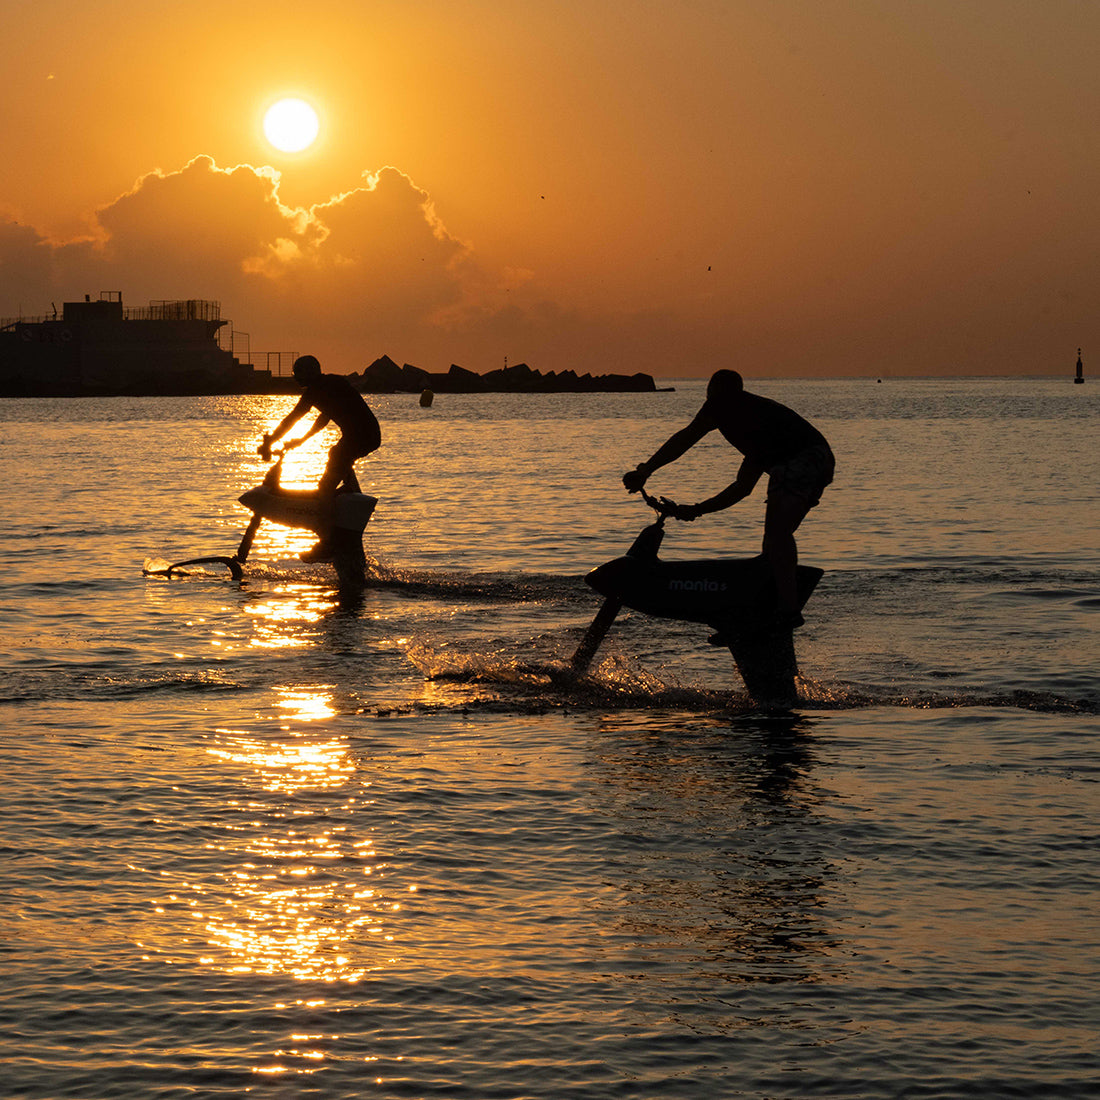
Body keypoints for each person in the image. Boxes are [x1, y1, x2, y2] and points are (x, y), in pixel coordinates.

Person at [623, 368, 834, 629]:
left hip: (806, 459)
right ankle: (758, 615)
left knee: (778, 534)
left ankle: (788, 611)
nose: (709, 409)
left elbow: (685, 438)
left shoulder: (726, 407)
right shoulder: (757, 429)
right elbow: (741, 488)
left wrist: (645, 470)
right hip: (818, 461)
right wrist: (696, 510)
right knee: (773, 541)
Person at [260, 354, 382, 560]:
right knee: (336, 454)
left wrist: (271, 440)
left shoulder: (315, 391)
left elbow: (293, 418)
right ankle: (350, 500)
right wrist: (301, 440)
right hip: (368, 434)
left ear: (310, 373)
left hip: (360, 436)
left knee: (325, 488)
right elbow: (324, 417)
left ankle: (328, 543)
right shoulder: (331, 382)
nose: (296, 377)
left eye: (298, 373)